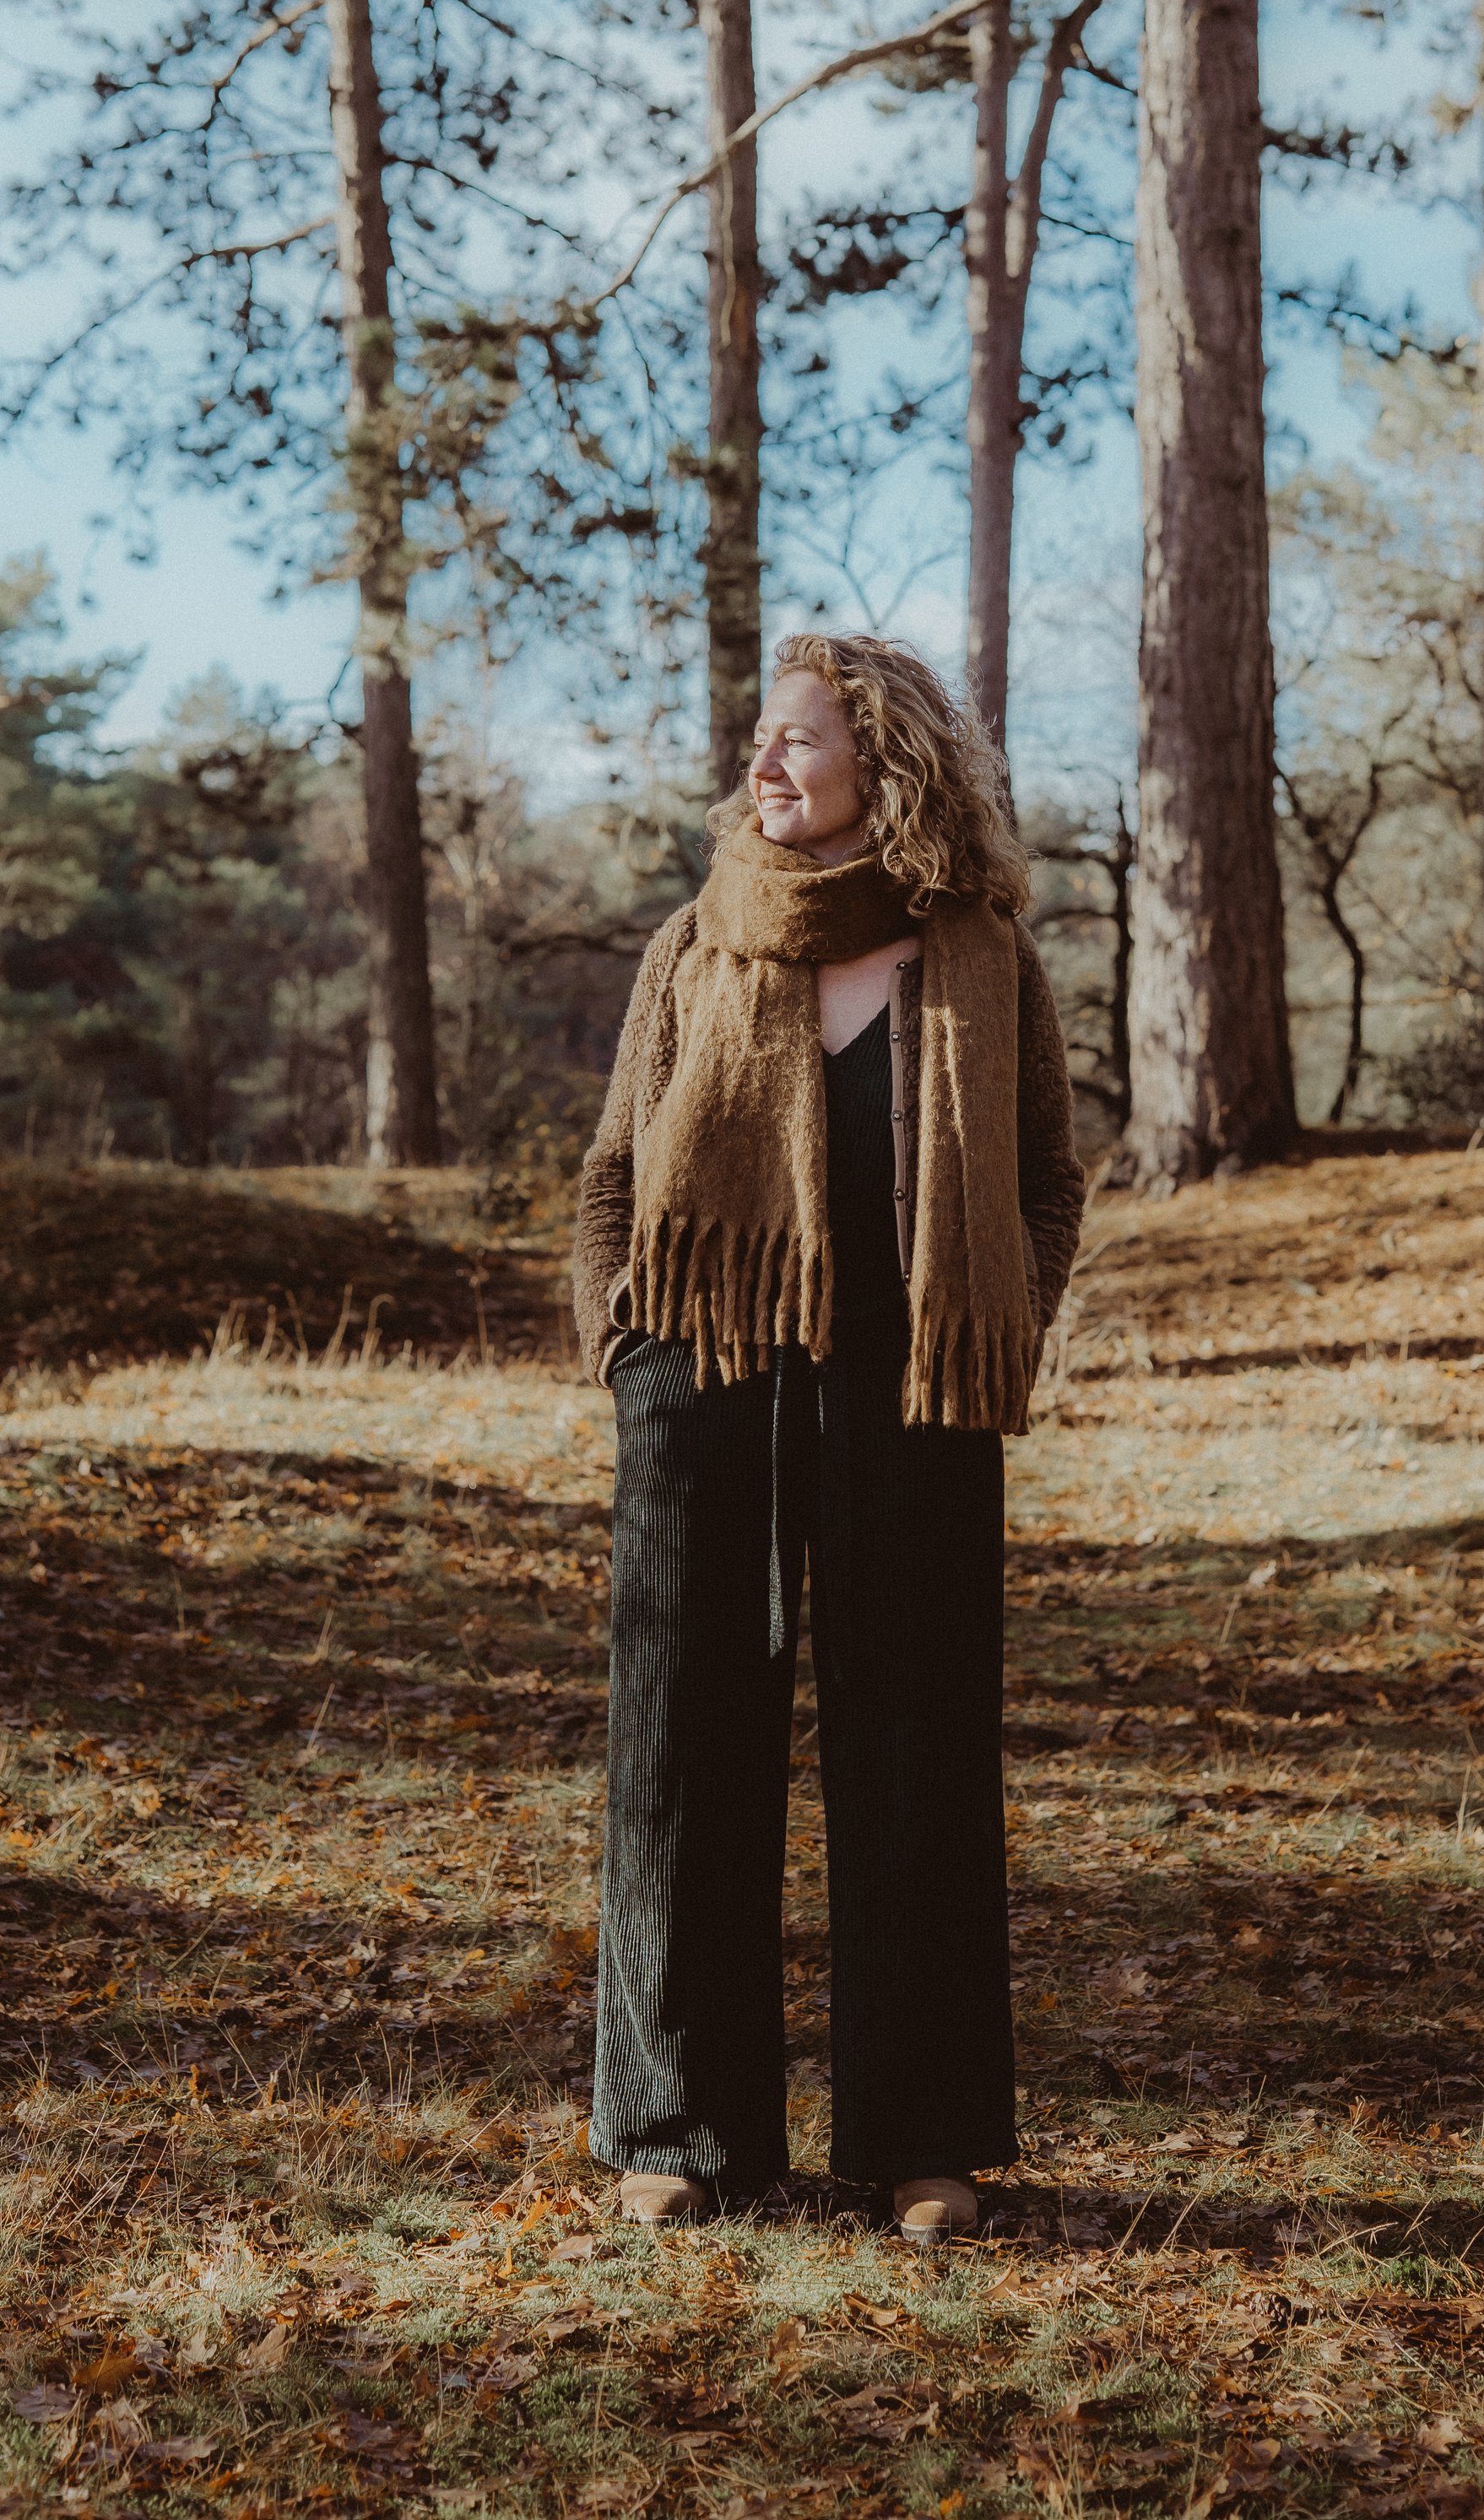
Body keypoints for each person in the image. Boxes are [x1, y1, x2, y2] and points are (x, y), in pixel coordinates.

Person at [572, 630, 1085, 2245]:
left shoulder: (981, 953)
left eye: (795, 739)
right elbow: (609, 1177)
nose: (762, 762)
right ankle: (680, 2125)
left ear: (888, 763)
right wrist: (630, 1352)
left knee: (920, 1755)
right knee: (681, 1751)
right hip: (707, 1382)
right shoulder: (696, 949)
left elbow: (1047, 1184)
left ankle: (923, 2141)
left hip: (915, 1400)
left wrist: (996, 1316)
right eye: (757, 736)